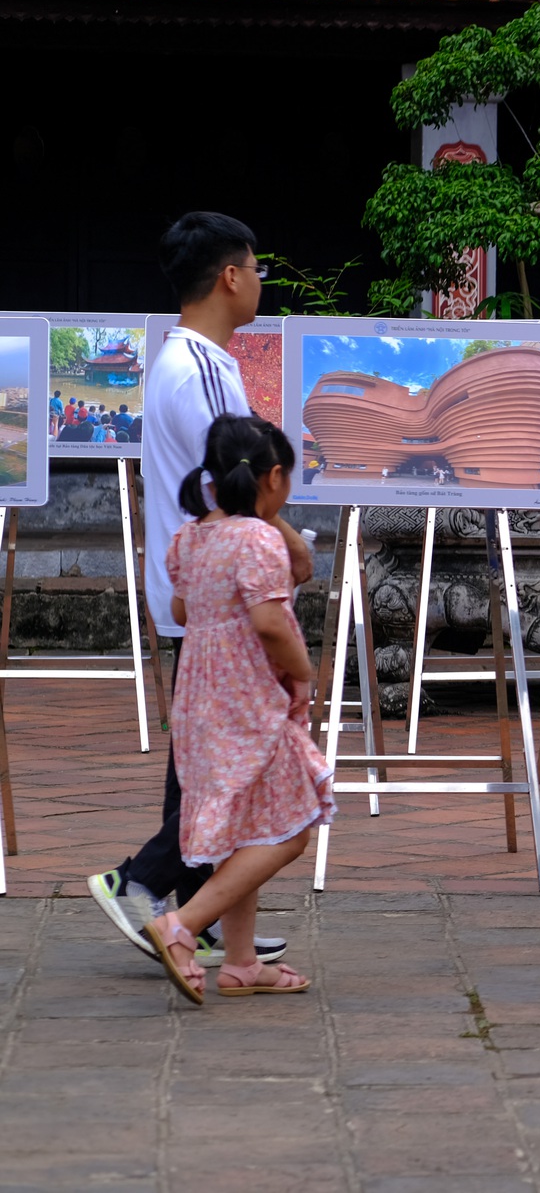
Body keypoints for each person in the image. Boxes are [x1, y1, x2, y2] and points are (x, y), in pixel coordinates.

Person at [88, 212, 312, 971]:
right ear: (229, 276)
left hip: (193, 585)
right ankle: (146, 885)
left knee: (209, 757)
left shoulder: (175, 359)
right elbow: (239, 480)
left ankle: (200, 915)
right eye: (255, 269)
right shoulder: (208, 366)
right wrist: (290, 543)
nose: (259, 283)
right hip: (225, 593)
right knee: (240, 765)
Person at [140, 414, 331, 1004]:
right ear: (273, 477)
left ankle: (243, 963)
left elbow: (181, 605)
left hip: (200, 700)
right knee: (293, 826)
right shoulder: (258, 539)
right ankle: (182, 926)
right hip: (247, 704)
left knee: (247, 827)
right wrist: (303, 675)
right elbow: (270, 622)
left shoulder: (191, 537)